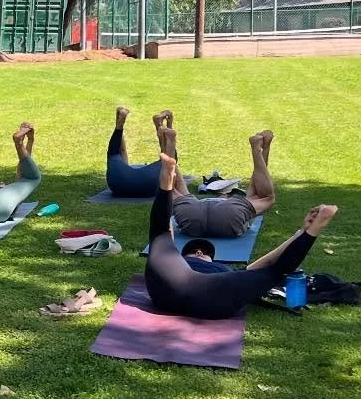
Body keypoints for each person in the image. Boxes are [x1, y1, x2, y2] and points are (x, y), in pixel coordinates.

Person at [145, 152, 337, 319]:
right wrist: (303, 233)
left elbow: (165, 233)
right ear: (197, 254)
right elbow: (271, 263)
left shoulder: (182, 262)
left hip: (171, 290)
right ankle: (315, 229)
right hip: (208, 295)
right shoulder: (225, 272)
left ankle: (166, 186)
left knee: (160, 236)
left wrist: (302, 232)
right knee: (276, 271)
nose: (201, 253)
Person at [165, 125, 275, 238]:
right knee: (266, 198)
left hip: (191, 214)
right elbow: (257, 185)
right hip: (228, 216)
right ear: (226, 196)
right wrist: (263, 150)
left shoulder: (238, 204)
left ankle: (169, 142)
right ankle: (257, 150)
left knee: (171, 190)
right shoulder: (237, 206)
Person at [106, 107, 173, 197]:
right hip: (149, 181)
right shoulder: (153, 175)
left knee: (114, 155)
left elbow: (122, 150)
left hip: (119, 183)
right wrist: (169, 124)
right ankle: (159, 124)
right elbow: (170, 157)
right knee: (169, 161)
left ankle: (119, 126)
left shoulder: (122, 174)